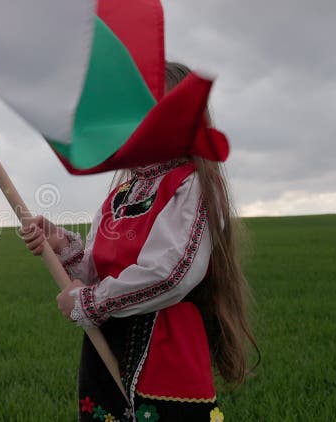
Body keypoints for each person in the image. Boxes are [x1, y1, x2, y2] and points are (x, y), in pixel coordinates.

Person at [20, 62, 258, 421]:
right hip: (107, 349)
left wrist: (90, 301)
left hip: (165, 357)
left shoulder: (189, 185)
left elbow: (171, 274)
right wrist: (62, 246)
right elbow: (99, 272)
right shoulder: (122, 194)